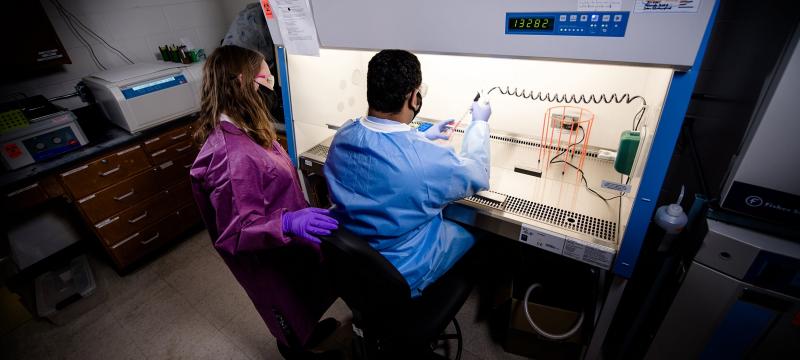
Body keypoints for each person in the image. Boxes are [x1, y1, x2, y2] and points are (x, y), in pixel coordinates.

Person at [189, 45, 339, 359]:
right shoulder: (232, 156)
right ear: (243, 82)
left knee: (303, 296)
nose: (271, 88)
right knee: (285, 307)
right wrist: (287, 222)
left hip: (286, 244)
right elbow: (236, 232)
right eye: (266, 79)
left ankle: (308, 331)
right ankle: (295, 349)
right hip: (266, 253)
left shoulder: (246, 127)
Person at [323, 49, 492, 297]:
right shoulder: (425, 161)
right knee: (477, 230)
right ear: (414, 98)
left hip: (357, 261)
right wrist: (480, 124)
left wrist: (422, 136)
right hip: (402, 271)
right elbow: (479, 173)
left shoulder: (344, 135)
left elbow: (384, 152)